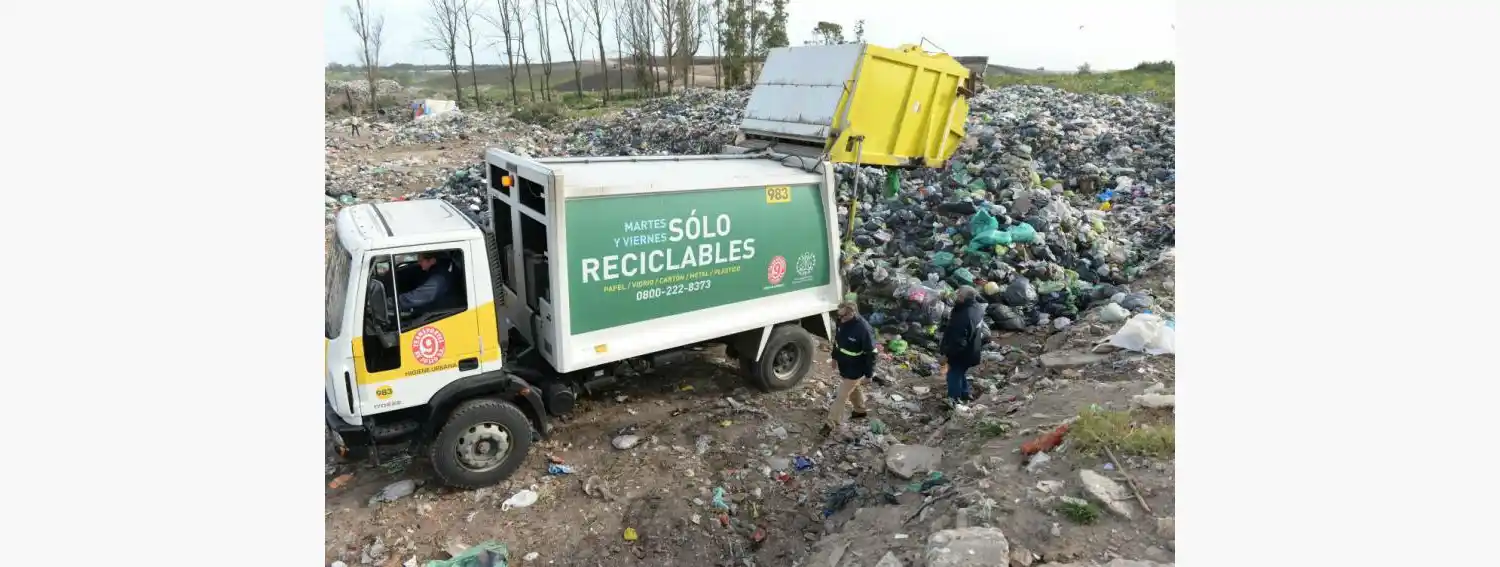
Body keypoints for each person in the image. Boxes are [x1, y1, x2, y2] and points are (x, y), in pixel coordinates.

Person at [822, 301, 876, 436]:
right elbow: (837, 341)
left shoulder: (863, 329)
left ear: (852, 313)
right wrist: (834, 358)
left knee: (841, 395)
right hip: (844, 364)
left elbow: (870, 354)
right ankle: (860, 410)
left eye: (843, 316)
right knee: (853, 388)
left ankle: (830, 423)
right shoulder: (842, 322)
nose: (840, 319)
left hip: (856, 368)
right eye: (839, 316)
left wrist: (869, 374)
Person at [939, 285, 986, 405]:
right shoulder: (976, 307)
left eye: (959, 294)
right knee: (960, 371)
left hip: (962, 352)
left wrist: (947, 354)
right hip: (973, 349)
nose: (956, 296)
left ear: (964, 297)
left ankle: (953, 400)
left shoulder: (963, 315)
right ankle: (965, 393)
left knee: (953, 374)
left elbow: (958, 340)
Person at [397, 252, 452, 316]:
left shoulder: (437, 280)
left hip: (433, 315)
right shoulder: (433, 272)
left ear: (432, 261)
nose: (419, 263)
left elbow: (413, 299)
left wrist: (392, 302)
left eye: (421, 261)